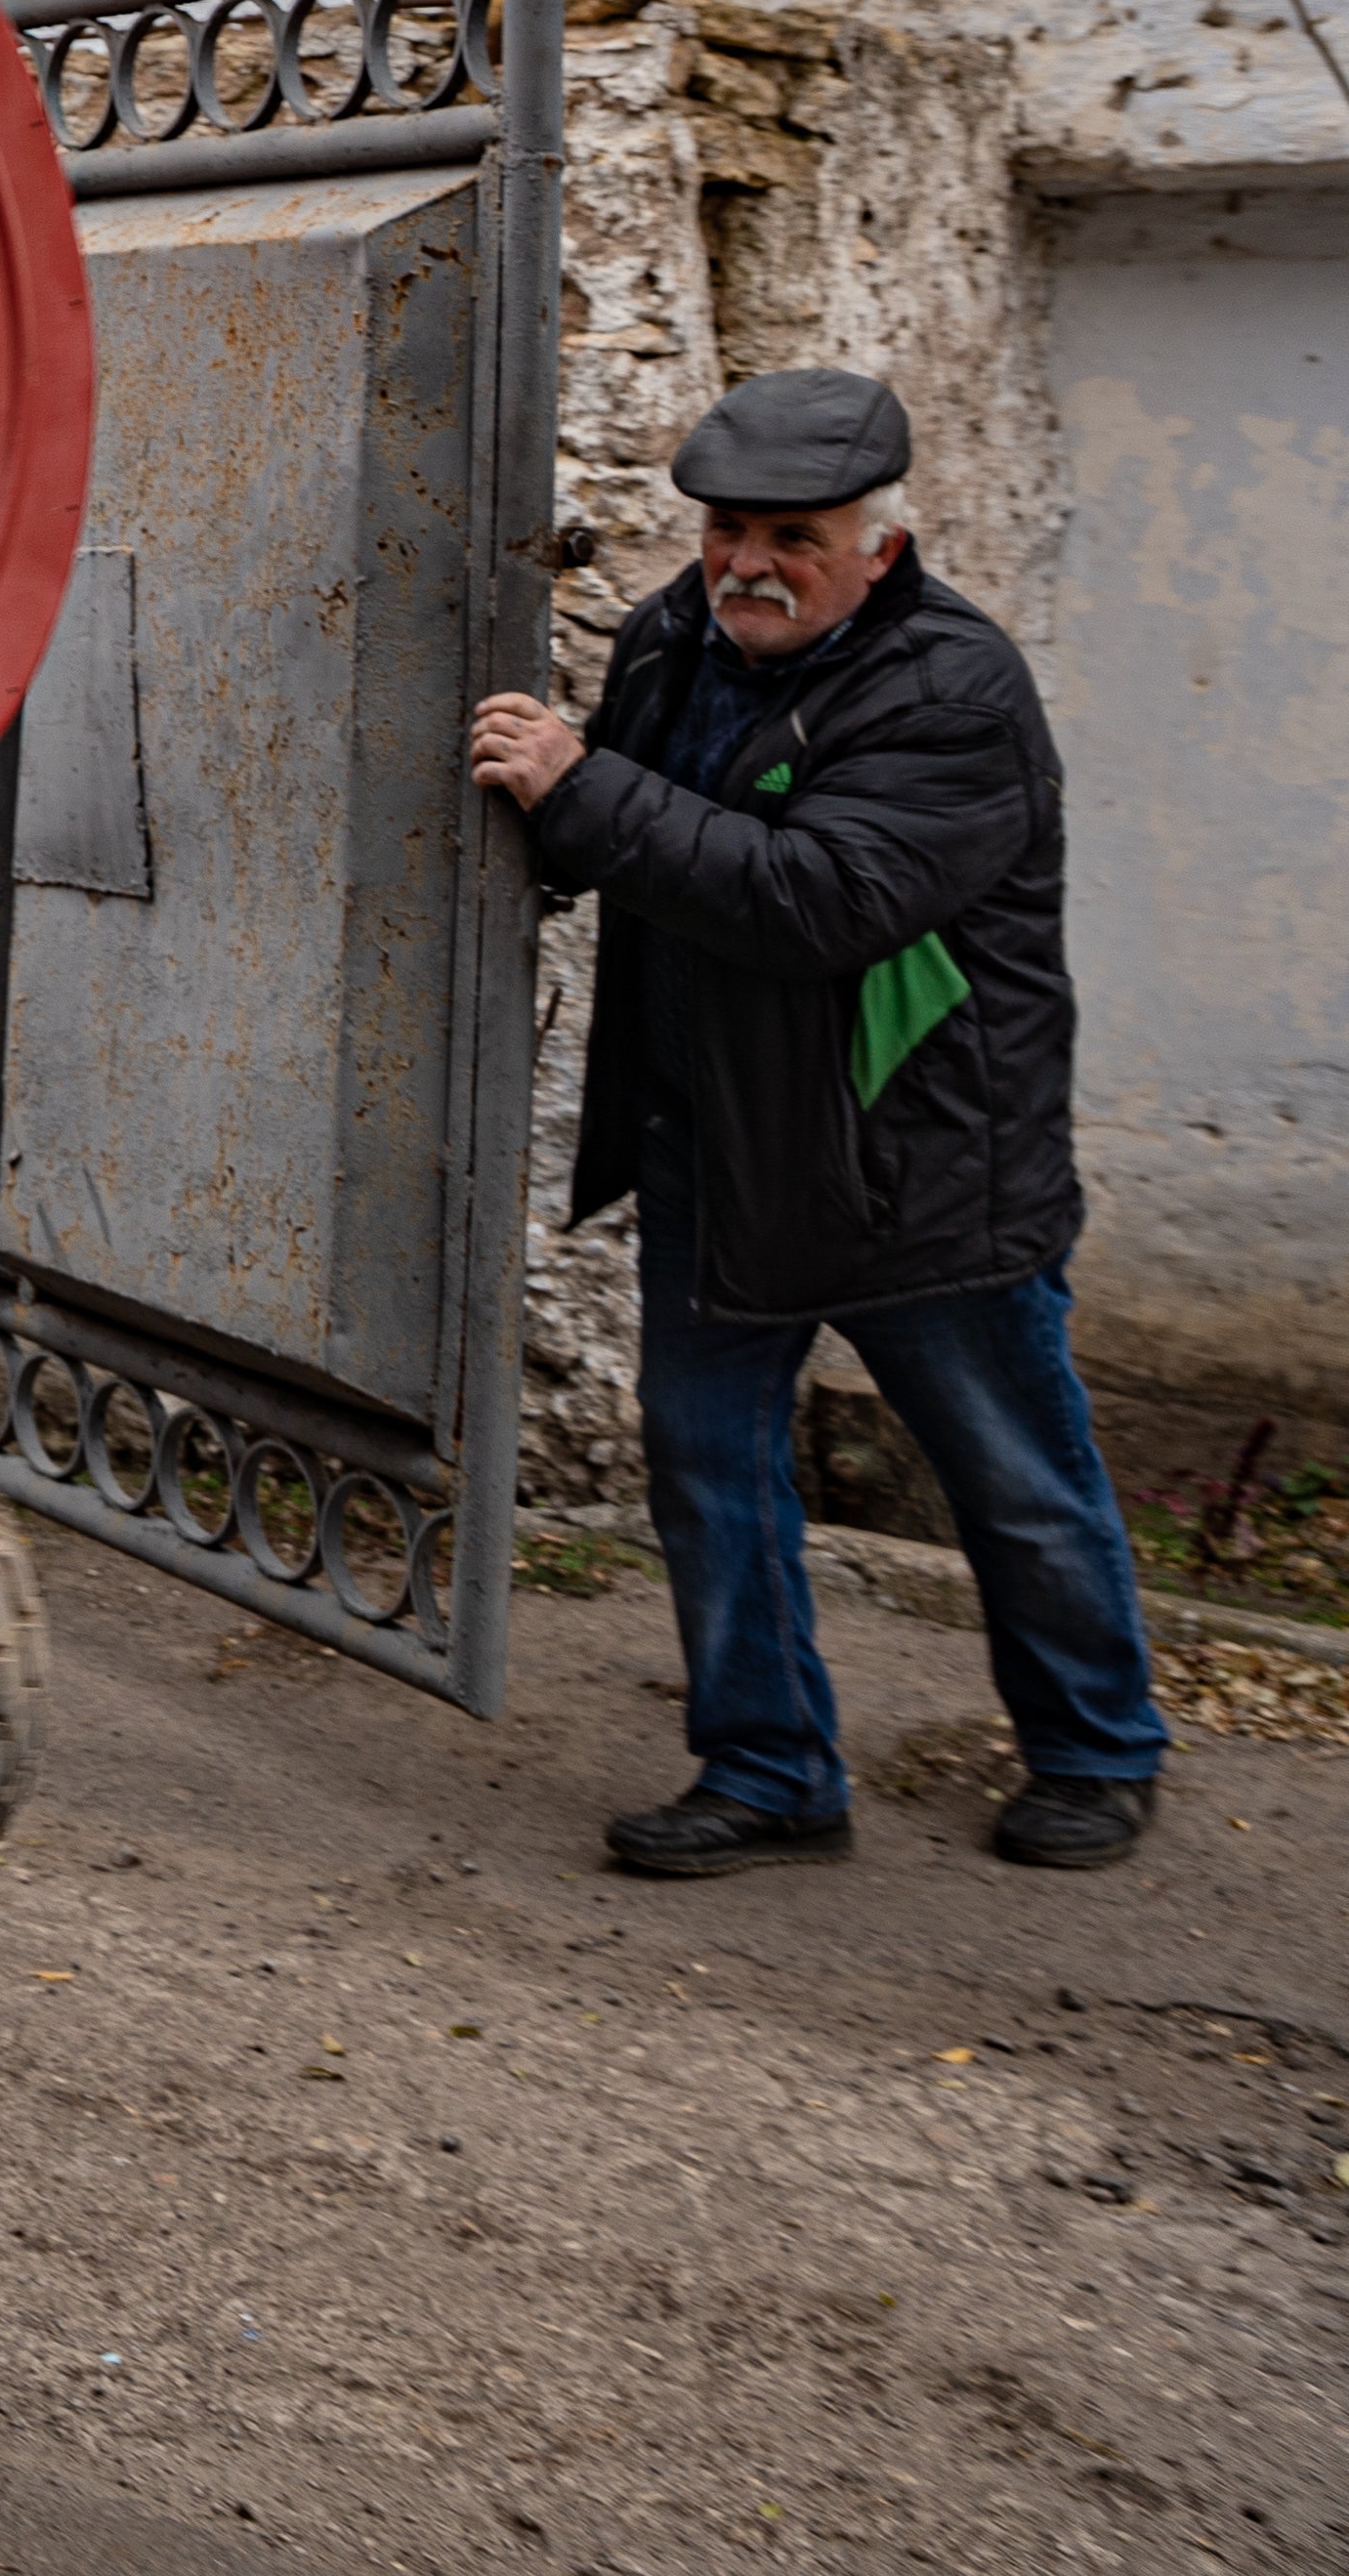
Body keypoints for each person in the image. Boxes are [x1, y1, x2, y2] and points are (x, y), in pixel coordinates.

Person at [462, 366, 1164, 1877]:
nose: (747, 565)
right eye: (725, 530)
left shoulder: (953, 693)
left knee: (1015, 1481)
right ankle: (771, 1771)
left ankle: (1098, 1752)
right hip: (720, 1142)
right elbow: (629, 830)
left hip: (921, 1164)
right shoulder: (673, 636)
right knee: (709, 1467)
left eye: (795, 535)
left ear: (882, 551)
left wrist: (580, 795)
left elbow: (822, 898)